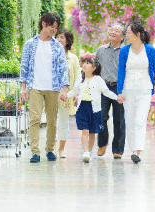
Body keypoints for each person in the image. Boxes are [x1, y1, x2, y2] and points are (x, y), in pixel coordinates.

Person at [20, 13, 70, 163]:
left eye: (56, 27)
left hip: (53, 87)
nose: (54, 30)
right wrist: (23, 87)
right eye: (51, 26)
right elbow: (24, 66)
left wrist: (64, 89)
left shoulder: (57, 46)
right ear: (43, 24)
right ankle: (35, 152)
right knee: (34, 119)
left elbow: (63, 68)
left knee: (52, 120)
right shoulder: (30, 44)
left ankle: (49, 149)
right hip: (35, 86)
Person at [116, 21, 155, 164]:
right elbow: (121, 72)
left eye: (129, 33)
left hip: (145, 89)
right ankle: (133, 149)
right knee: (130, 121)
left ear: (138, 34)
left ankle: (138, 150)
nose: (126, 35)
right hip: (128, 89)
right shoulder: (125, 50)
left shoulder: (149, 49)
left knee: (140, 120)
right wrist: (119, 91)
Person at [64, 55, 118, 163]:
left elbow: (106, 92)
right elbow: (75, 90)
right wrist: (66, 95)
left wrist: (117, 98)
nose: (84, 64)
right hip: (82, 108)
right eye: (84, 62)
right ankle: (85, 152)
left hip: (95, 109)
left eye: (88, 63)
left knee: (92, 132)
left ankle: (89, 151)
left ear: (94, 68)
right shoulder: (80, 78)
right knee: (85, 131)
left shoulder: (98, 79)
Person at [96, 23, 126, 159]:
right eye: (112, 30)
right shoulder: (101, 50)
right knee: (101, 117)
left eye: (117, 31)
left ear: (123, 36)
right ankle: (102, 143)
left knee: (119, 120)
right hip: (103, 87)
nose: (113, 32)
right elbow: (95, 70)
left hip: (119, 88)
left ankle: (118, 149)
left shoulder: (126, 51)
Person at [55, 29, 81, 158]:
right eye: (57, 37)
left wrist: (75, 94)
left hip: (66, 95)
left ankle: (61, 149)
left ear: (68, 41)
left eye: (62, 38)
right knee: (51, 122)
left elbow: (77, 77)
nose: (59, 40)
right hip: (52, 93)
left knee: (64, 123)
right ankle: (51, 148)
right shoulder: (50, 54)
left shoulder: (73, 58)